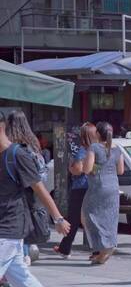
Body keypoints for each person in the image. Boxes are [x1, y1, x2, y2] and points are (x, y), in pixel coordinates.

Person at [0, 111, 70, 286]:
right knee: (23, 279)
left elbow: (40, 189)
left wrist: (58, 218)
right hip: (7, 233)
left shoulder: (17, 155)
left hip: (8, 229)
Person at [6, 111, 50, 267]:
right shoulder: (33, 143)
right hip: (34, 190)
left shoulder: (12, 146)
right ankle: (26, 252)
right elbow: (42, 172)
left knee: (19, 221)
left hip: (18, 190)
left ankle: (23, 255)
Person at [82, 122, 124, 265]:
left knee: (89, 216)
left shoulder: (94, 147)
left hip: (98, 187)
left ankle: (104, 248)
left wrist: (97, 167)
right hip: (113, 187)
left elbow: (87, 169)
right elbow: (120, 171)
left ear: (98, 134)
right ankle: (108, 246)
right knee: (110, 218)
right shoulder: (117, 149)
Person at [53, 122, 97, 259]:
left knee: (73, 218)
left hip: (80, 187)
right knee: (90, 219)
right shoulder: (98, 149)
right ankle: (94, 249)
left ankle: (66, 249)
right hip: (93, 187)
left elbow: (77, 169)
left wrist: (71, 169)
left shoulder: (83, 150)